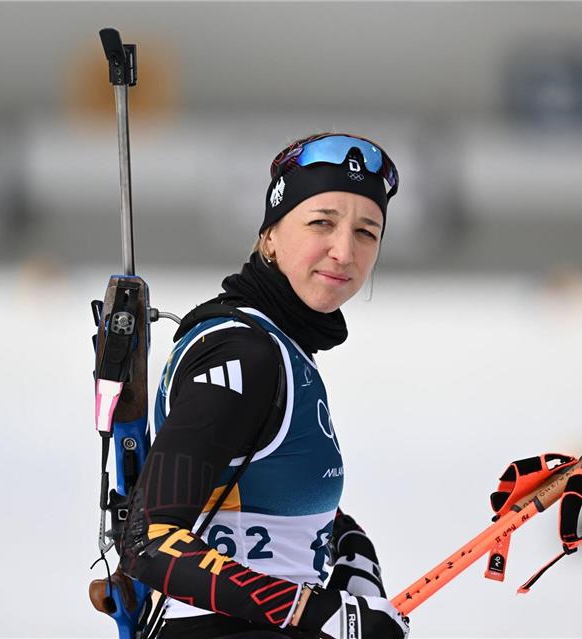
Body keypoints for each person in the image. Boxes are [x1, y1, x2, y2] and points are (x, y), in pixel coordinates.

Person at [114, 133, 409, 638]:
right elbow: (151, 542)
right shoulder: (244, 355)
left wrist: (350, 546)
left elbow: (257, 497)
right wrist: (317, 613)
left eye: (367, 232)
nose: (344, 251)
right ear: (270, 234)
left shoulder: (280, 349)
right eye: (322, 223)